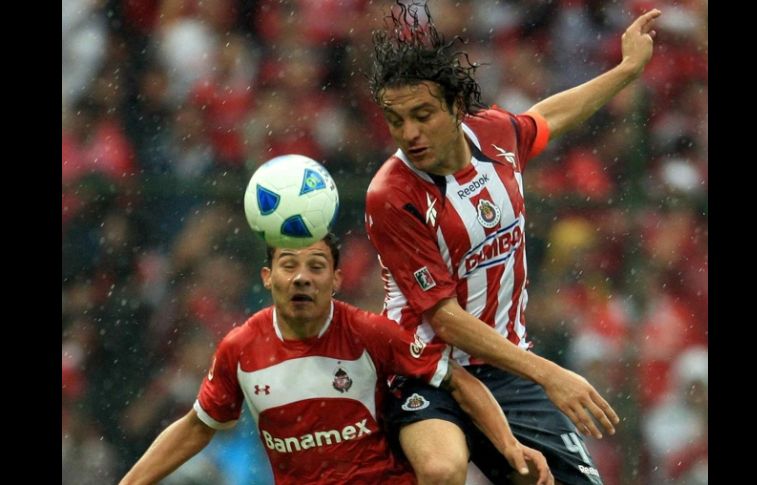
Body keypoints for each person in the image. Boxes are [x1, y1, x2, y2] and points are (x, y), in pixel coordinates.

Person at [364, 2, 661, 484]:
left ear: (456, 108)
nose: (410, 133)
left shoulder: (494, 134)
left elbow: (548, 117)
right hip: (426, 369)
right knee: (442, 471)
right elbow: (444, 318)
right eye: (397, 121)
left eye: (422, 115)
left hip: (507, 370)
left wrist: (627, 70)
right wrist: (549, 373)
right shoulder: (391, 195)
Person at [119, 233, 554, 485]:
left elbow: (457, 380)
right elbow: (198, 426)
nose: (302, 278)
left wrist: (508, 443)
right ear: (268, 278)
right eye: (289, 265)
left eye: (316, 266)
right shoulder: (240, 348)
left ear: (337, 279)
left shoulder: (372, 334)